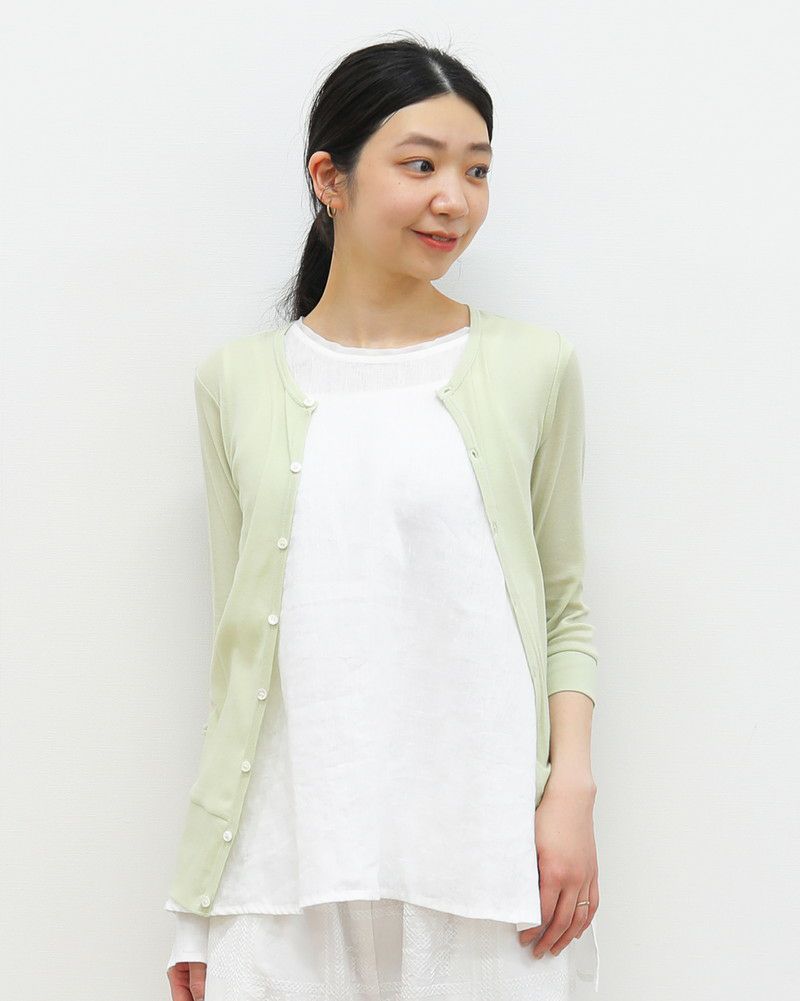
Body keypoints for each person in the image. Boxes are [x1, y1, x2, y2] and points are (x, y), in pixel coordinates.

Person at [165, 33, 601, 1001]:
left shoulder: (532, 366)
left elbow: (564, 608)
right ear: (330, 178)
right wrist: (198, 901)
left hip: (487, 867)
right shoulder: (236, 382)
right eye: (421, 165)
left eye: (476, 170)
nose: (455, 199)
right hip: (284, 873)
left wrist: (568, 793)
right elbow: (236, 652)